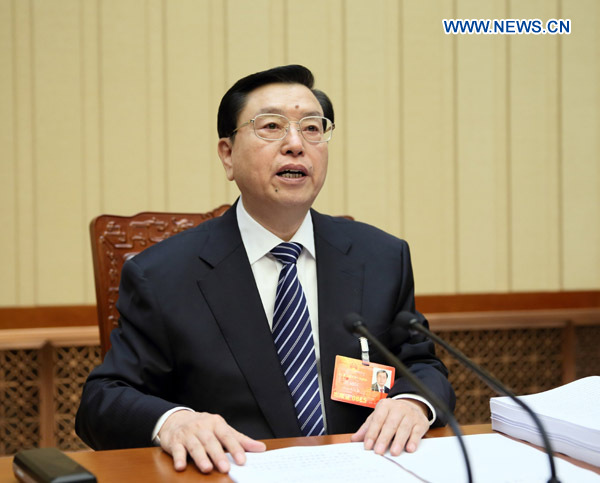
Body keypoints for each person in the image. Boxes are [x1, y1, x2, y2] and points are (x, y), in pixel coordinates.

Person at [76, 64, 455, 474]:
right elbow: (102, 400)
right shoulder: (163, 275)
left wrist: (412, 403)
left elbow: (421, 365)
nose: (296, 144)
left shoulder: (380, 257)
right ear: (227, 155)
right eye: (271, 126)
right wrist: (174, 422)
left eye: (312, 128)